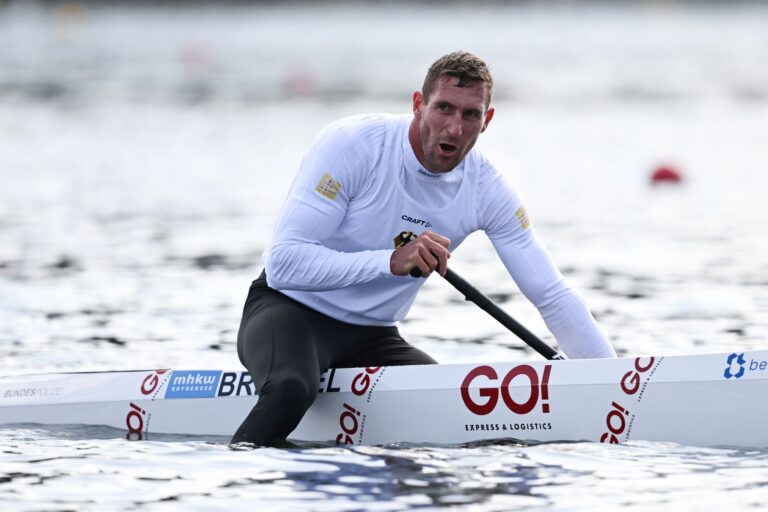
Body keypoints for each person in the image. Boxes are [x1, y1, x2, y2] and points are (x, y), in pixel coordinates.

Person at [231, 51, 616, 446]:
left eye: (470, 115)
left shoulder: (488, 190)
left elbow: (551, 295)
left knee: (451, 410)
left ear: (487, 122)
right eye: (443, 108)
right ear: (418, 105)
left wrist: (615, 384)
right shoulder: (355, 145)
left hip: (372, 336)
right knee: (292, 389)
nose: (453, 127)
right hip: (288, 311)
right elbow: (283, 265)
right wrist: (390, 261)